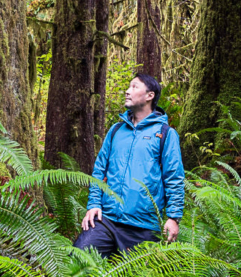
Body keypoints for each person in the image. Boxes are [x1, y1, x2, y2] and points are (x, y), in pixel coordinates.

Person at [73, 74, 185, 258]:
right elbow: (99, 170)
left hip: (143, 227)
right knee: (77, 261)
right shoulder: (116, 130)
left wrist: (173, 218)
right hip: (106, 221)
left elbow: (174, 178)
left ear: (149, 95)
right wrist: (93, 203)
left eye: (134, 87)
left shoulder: (166, 134)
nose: (127, 91)